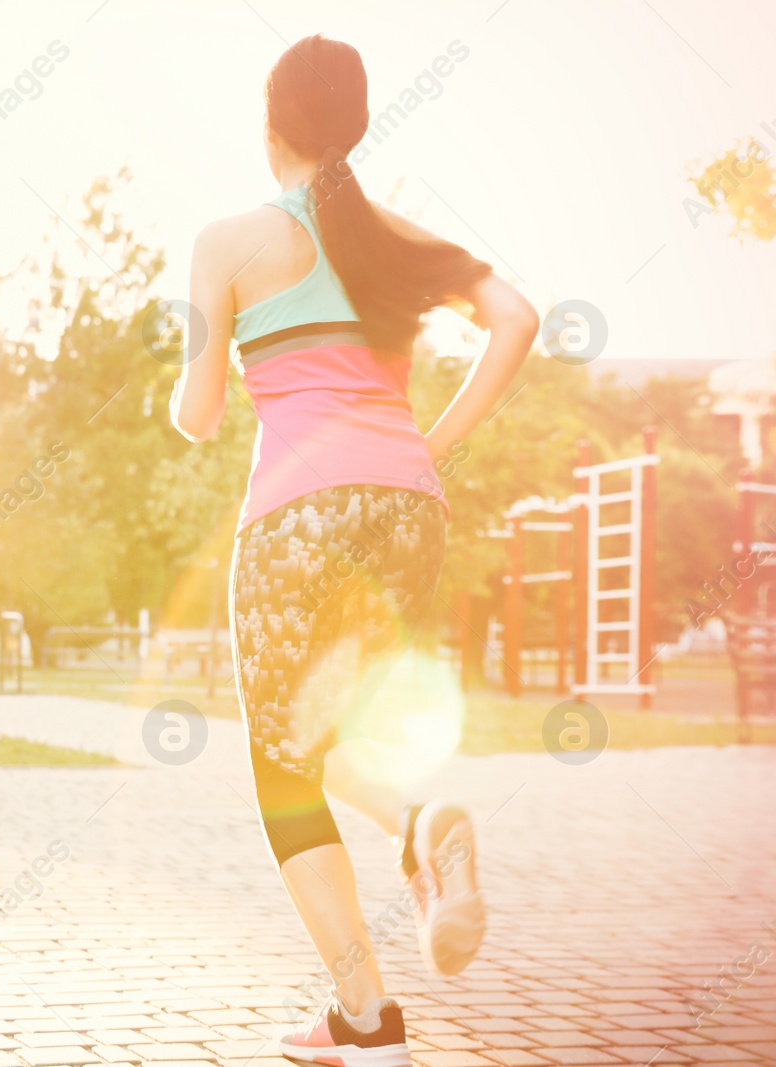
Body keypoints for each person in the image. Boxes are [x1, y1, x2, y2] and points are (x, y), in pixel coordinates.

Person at [169, 34, 537, 1067]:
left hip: (296, 514)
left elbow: (197, 418)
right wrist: (434, 444)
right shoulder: (396, 239)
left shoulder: (228, 241)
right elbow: (516, 317)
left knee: (284, 762)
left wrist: (196, 365)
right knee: (331, 725)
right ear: (356, 126)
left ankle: (406, 869)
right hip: (408, 508)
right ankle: (363, 1008)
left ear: (269, 125)